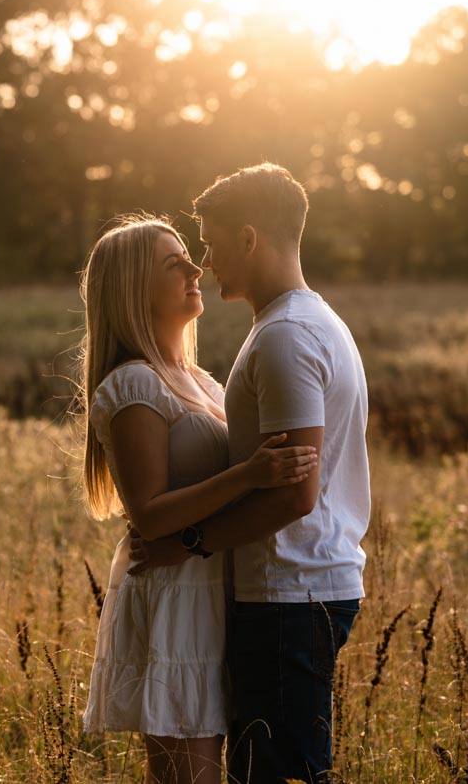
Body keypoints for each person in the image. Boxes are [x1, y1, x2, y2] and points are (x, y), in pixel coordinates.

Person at [129, 164, 370, 784]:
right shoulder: (309, 323)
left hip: (288, 593)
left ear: (248, 238)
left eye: (209, 243)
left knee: (279, 772)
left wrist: (189, 543)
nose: (204, 262)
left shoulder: (287, 336)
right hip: (300, 588)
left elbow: (293, 493)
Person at [77, 213, 319, 784]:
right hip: (176, 598)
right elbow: (149, 514)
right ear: (136, 289)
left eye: (191, 254)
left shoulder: (200, 379)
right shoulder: (134, 383)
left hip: (216, 585)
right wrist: (250, 476)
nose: (196, 268)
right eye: (173, 263)